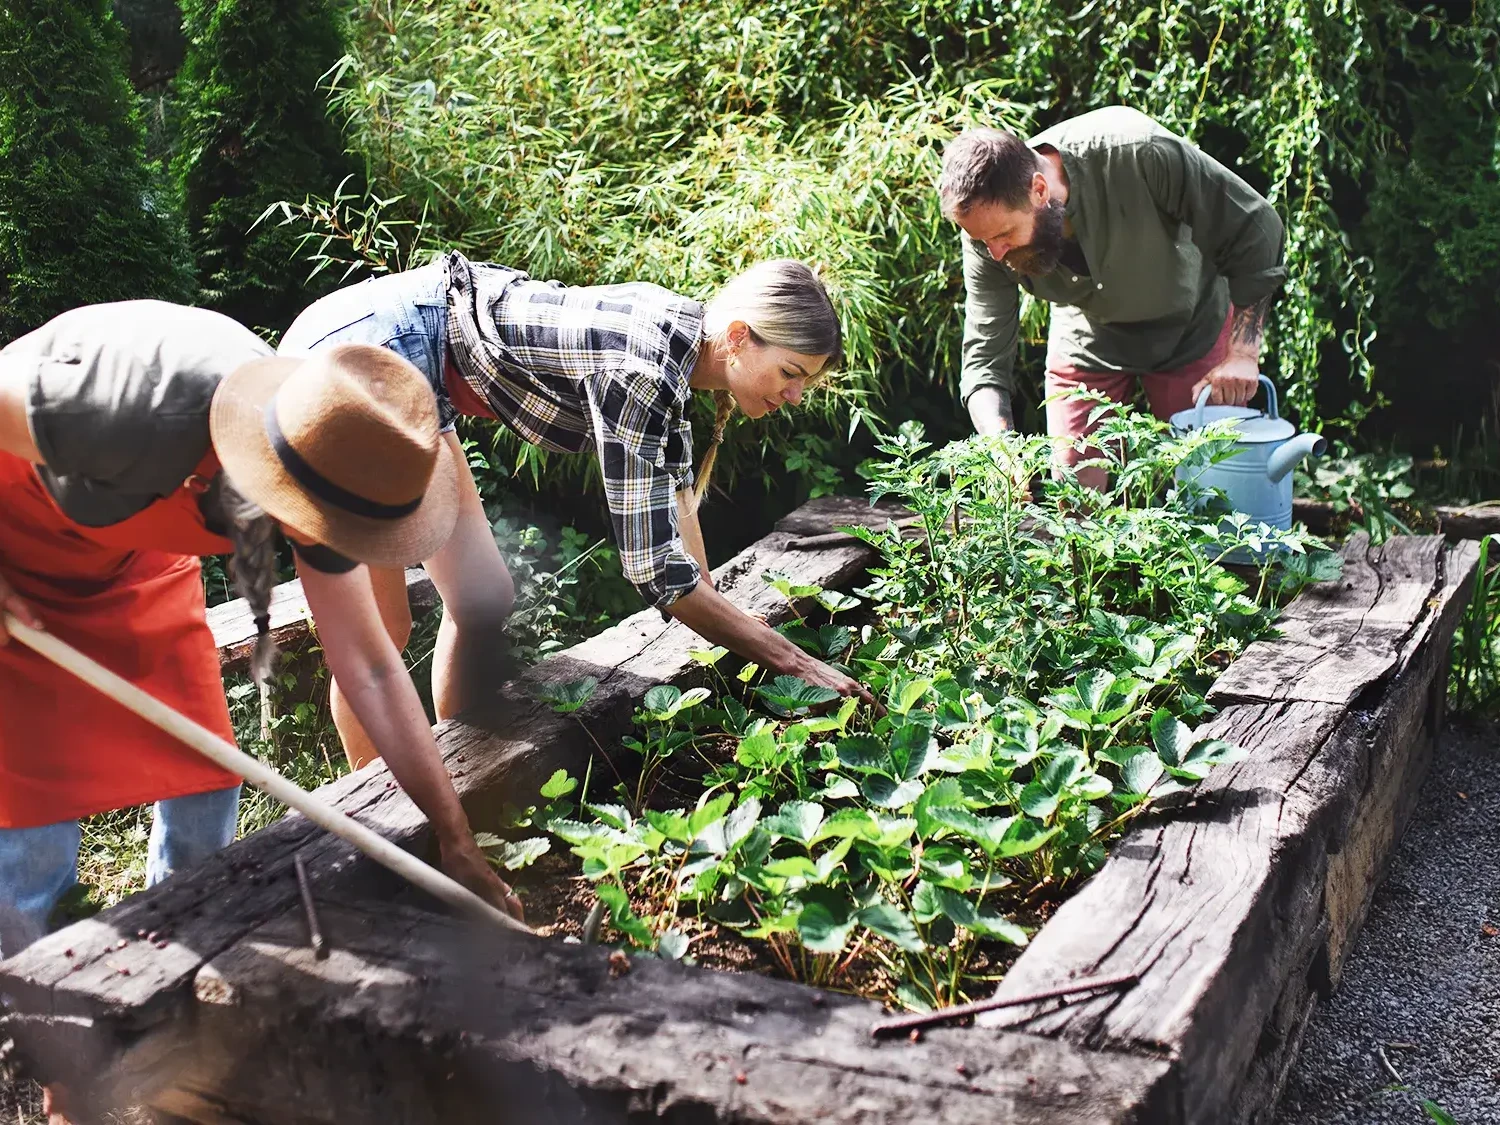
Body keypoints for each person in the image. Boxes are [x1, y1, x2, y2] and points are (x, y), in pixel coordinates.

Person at [0, 300, 524, 971]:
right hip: (18, 532)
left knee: (205, 775)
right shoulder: (125, 407)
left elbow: (368, 666)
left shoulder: (330, 455)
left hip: (132, 549)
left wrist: (455, 838)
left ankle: (173, 956)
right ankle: (40, 1001)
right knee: (34, 816)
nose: (338, 549)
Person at [280, 254, 874, 770]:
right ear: (741, 336)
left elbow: (683, 538)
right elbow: (656, 574)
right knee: (380, 632)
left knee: (482, 599)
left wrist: (729, 635)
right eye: (792, 373)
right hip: (365, 360)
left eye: (807, 383)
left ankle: (463, 771)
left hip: (413, 354)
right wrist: (792, 660)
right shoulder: (643, 371)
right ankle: (386, 823)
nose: (794, 395)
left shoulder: (681, 344)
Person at [940, 105, 1288, 490]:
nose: (996, 254)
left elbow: (1257, 227)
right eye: (982, 241)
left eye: (1004, 235)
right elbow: (984, 358)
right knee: (1073, 495)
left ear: (1039, 190)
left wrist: (1243, 352)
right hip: (1089, 339)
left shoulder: (1140, 152)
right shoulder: (987, 230)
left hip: (1192, 326)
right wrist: (1000, 446)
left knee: (1207, 487)